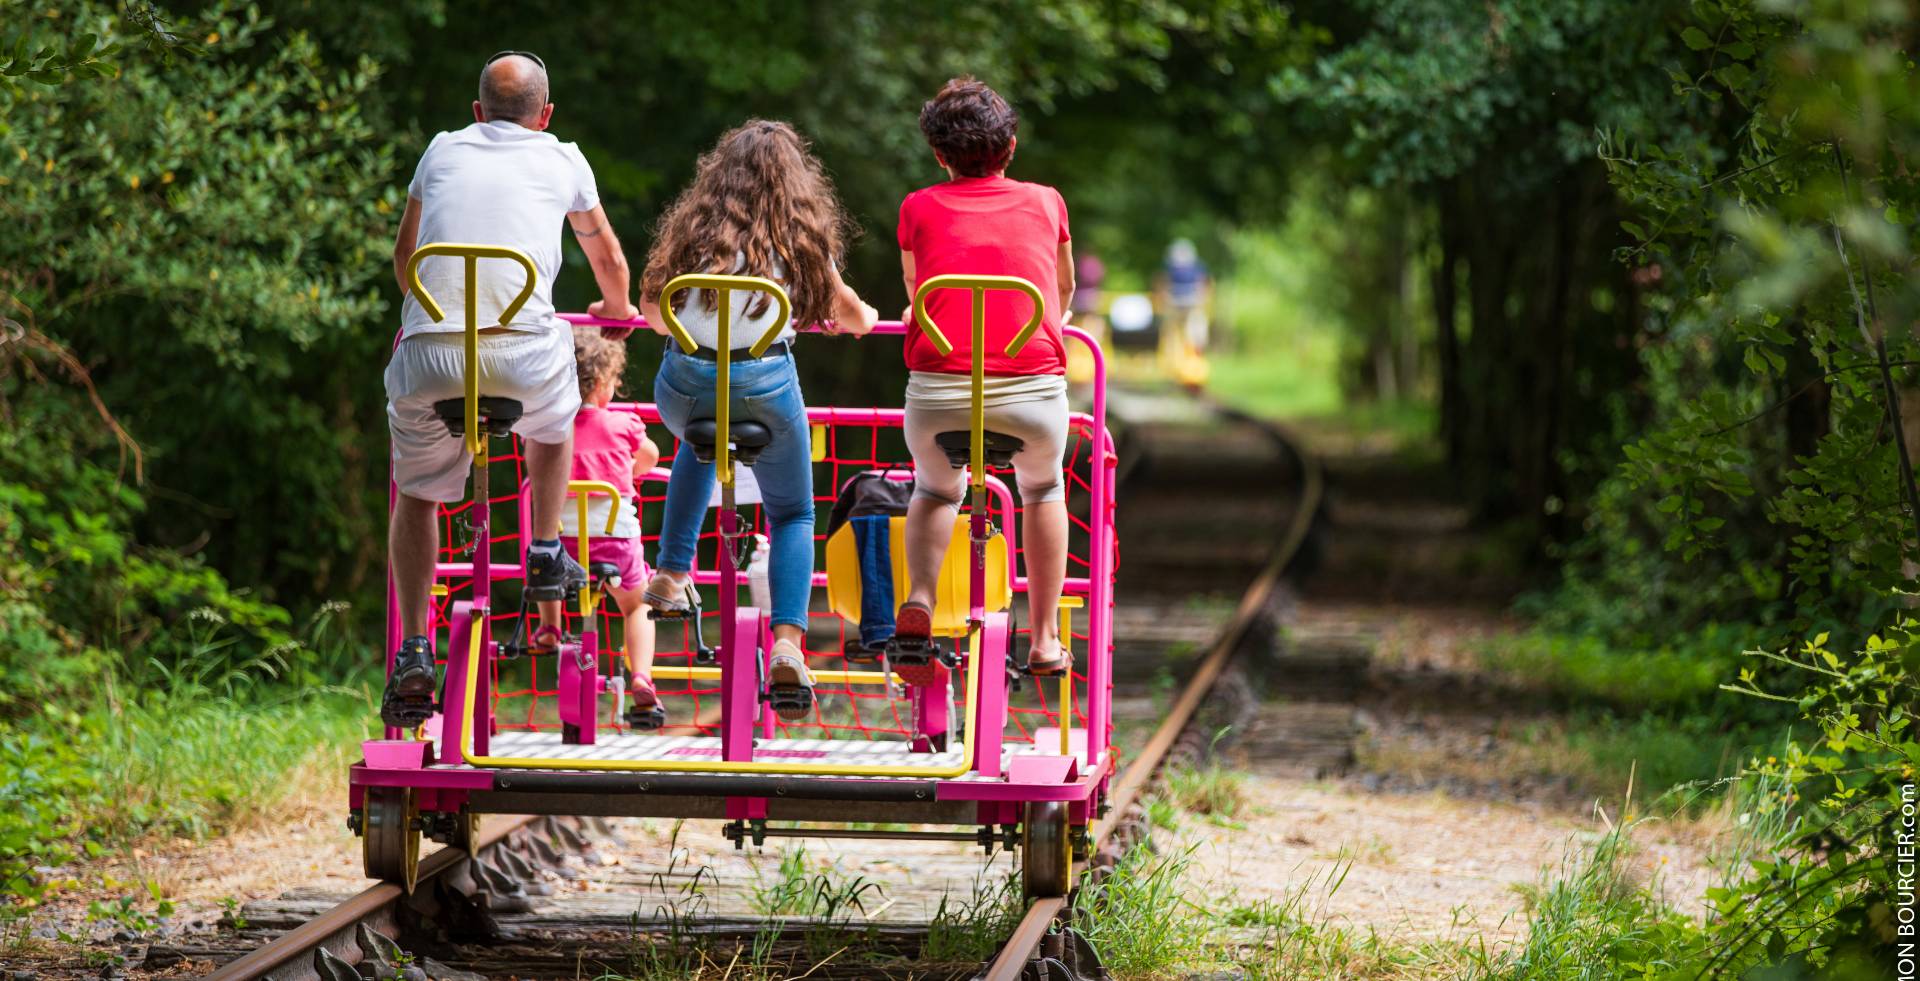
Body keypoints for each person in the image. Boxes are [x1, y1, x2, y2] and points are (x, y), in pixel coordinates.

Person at [381, 51, 637, 727]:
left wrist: (435, 315)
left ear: (476, 113)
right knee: (556, 420)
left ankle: (413, 648)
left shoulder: (439, 151)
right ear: (545, 116)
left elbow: (406, 259)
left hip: (432, 350)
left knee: (416, 493)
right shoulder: (563, 158)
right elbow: (607, 256)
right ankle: (546, 547)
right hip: (522, 357)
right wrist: (618, 310)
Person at [637, 120, 879, 720]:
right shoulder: (798, 241)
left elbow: (653, 312)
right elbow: (853, 317)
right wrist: (867, 316)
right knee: (793, 510)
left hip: (685, 390)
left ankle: (669, 572)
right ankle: (789, 644)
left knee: (696, 442)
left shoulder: (692, 234)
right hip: (764, 388)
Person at [893, 76, 1076, 677]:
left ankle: (919, 597)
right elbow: (1064, 288)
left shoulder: (917, 207)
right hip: (1031, 391)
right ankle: (1045, 636)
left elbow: (918, 294)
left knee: (935, 488)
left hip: (940, 393)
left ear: (939, 154)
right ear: (1011, 146)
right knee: (1043, 489)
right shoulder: (1048, 201)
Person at [526, 328, 665, 728]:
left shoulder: (549, 430)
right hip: (615, 545)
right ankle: (641, 674)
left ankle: (550, 625)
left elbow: (534, 467)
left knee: (543, 560)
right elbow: (649, 457)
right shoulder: (623, 424)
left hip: (562, 544)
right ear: (603, 383)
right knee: (638, 604)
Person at [1159, 238, 1212, 353]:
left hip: (1192, 302)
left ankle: (1195, 352)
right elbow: (1164, 284)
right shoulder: (1170, 268)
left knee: (1196, 328)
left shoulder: (1198, 267)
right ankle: (1172, 353)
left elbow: (1205, 285)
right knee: (1171, 330)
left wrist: (1203, 297)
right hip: (1175, 303)